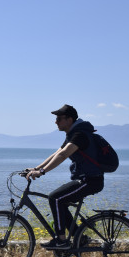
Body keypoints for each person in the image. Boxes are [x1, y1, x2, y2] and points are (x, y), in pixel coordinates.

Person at [26, 104, 105, 249]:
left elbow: (63, 155)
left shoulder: (79, 135)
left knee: (55, 198)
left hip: (91, 180)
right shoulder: (73, 134)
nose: (56, 121)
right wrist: (36, 168)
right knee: (60, 201)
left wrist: (42, 172)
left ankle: (61, 240)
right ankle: (79, 237)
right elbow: (56, 153)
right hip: (84, 179)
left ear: (69, 120)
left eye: (59, 118)